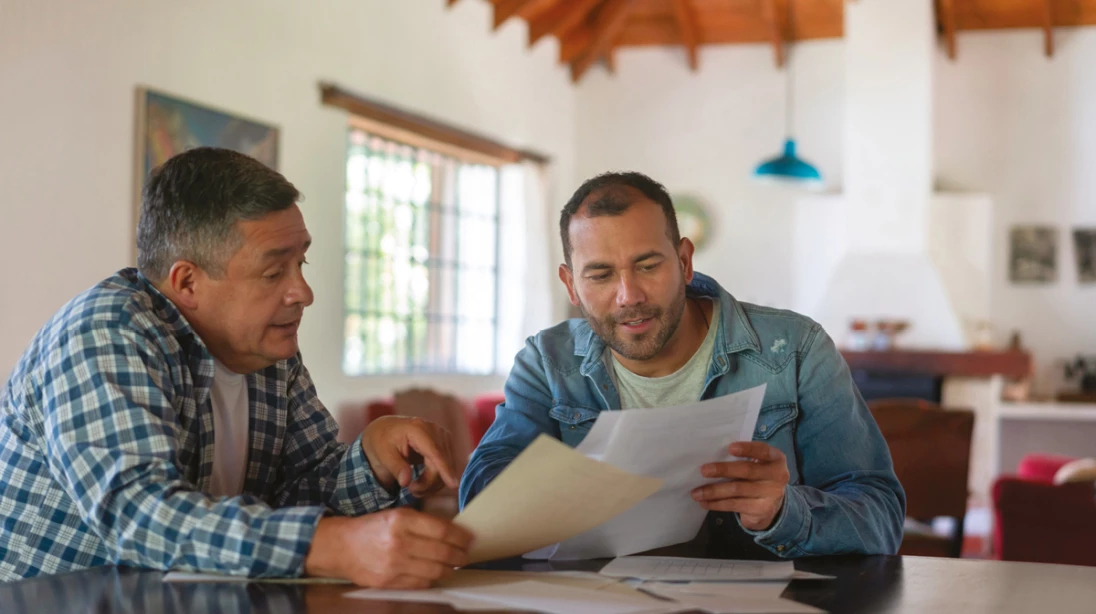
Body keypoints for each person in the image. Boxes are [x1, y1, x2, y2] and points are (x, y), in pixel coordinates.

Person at [0, 148, 472, 586]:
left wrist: (373, 460)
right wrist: (326, 546)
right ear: (187, 282)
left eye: (301, 263)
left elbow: (298, 495)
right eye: (273, 273)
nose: (303, 293)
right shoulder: (106, 333)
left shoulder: (265, 351)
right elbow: (140, 518)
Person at [460, 172, 905, 559]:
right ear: (570, 284)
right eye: (599, 275)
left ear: (685, 261)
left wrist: (781, 512)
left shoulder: (795, 350)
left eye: (648, 265)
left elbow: (881, 517)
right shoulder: (546, 363)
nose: (628, 295)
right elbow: (478, 507)